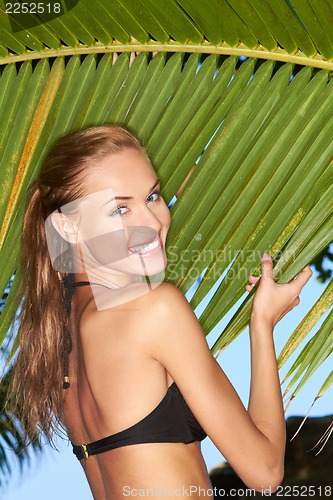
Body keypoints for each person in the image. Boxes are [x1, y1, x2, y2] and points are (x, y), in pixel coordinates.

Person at [8, 125, 312, 499]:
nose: (152, 222)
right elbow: (264, 472)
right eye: (120, 208)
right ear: (66, 227)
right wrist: (262, 325)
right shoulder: (155, 309)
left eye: (152, 196)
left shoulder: (58, 340)